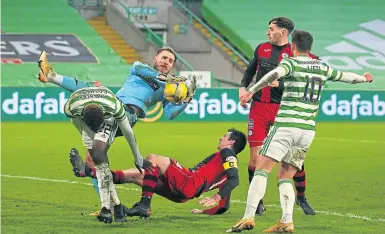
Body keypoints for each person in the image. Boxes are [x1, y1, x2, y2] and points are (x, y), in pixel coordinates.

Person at [227, 29, 373, 233]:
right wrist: (364, 78)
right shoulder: (322, 67)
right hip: (307, 131)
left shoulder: (291, 63)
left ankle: (248, 217)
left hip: (286, 126)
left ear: (293, 47)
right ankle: (286, 221)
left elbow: (273, 74)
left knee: (262, 169)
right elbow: (345, 76)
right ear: (310, 47)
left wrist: (251, 91)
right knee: (285, 176)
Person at [37, 48, 196, 215]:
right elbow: (139, 69)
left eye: (170, 61)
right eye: (164, 58)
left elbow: (170, 113)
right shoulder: (139, 68)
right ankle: (109, 207)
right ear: (155, 58)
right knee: (92, 158)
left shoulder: (167, 89)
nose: (166, 62)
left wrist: (186, 99)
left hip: (126, 115)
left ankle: (51, 76)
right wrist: (167, 79)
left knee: (95, 94)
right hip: (114, 106)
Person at [239, 17, 318, 215]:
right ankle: (257, 203)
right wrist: (242, 88)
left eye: (271, 29)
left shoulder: (298, 54)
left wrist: (280, 85)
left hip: (284, 111)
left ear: (283, 32)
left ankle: (301, 197)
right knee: (254, 160)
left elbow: (307, 81)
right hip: (259, 108)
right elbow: (250, 71)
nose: (268, 32)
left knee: (293, 160)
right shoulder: (261, 49)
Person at [101, 128, 247, 218]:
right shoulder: (224, 172)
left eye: (225, 136)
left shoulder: (227, 153)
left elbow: (235, 180)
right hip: (182, 196)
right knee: (137, 175)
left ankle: (144, 206)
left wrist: (216, 197)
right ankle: (89, 172)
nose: (221, 138)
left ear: (231, 142)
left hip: (187, 182)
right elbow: (224, 207)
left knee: (152, 158)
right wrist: (203, 212)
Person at [63, 86, 155, 223]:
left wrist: (138, 158)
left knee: (99, 156)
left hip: (108, 119)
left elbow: (128, 132)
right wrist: (88, 138)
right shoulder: (71, 108)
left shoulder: (114, 107)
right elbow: (77, 124)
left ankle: (106, 208)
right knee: (98, 160)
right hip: (84, 120)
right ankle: (117, 207)